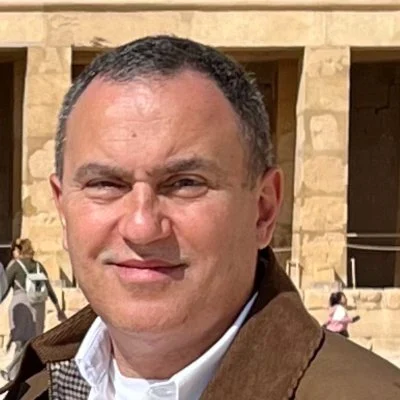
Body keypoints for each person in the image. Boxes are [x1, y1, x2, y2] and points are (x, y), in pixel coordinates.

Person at [1, 35, 399, 399]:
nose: (142, 227)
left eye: (185, 184)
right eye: (105, 184)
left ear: (263, 210)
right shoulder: (39, 388)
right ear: (62, 208)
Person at [0, 238, 66, 381]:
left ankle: (12, 372)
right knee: (34, 341)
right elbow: (48, 288)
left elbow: (4, 287)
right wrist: (58, 309)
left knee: (20, 342)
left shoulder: (16, 265)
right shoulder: (38, 266)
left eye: (14, 249)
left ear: (19, 250)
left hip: (21, 303)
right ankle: (26, 373)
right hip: (38, 306)